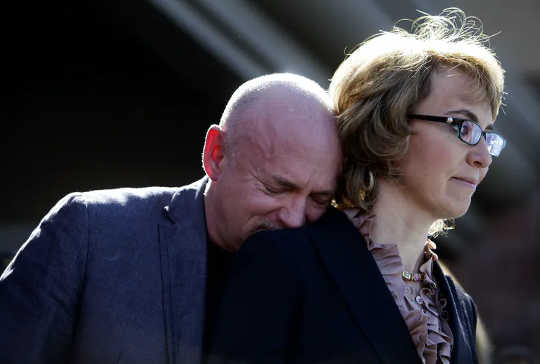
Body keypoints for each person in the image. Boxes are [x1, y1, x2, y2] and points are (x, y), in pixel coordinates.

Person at [205, 8, 505, 364]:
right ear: (389, 124)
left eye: (488, 136)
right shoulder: (286, 260)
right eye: (464, 127)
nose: (483, 157)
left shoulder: (460, 308)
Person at [0, 73, 342, 364]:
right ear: (216, 155)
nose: (295, 219)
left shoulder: (330, 292)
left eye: (318, 199)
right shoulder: (92, 231)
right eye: (276, 188)